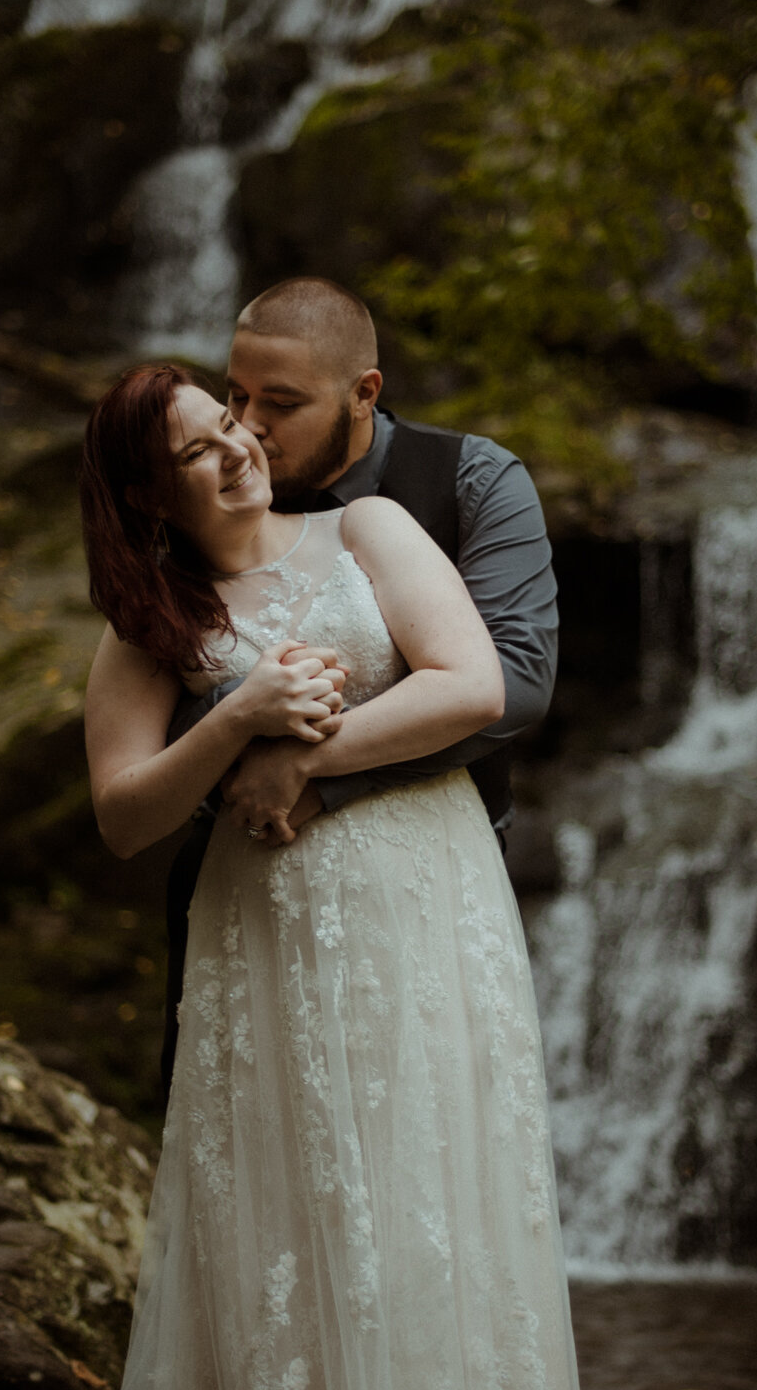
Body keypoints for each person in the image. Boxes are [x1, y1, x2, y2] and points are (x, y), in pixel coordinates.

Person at [82, 359, 605, 1390]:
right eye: (199, 450)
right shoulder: (146, 623)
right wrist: (238, 724)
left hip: (419, 902)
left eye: (235, 425)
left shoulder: (366, 528)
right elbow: (126, 817)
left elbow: (471, 684)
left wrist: (299, 756)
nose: (238, 452)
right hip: (259, 936)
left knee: (432, 1202)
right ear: (149, 491)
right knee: (296, 1220)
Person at [157, 276, 559, 1098]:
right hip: (241, 890)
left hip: (424, 888)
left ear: (363, 392)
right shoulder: (208, 497)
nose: (250, 427)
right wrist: (242, 730)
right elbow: (162, 700)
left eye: (282, 402)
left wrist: (312, 768)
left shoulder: (471, 480)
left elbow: (515, 681)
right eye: (235, 395)